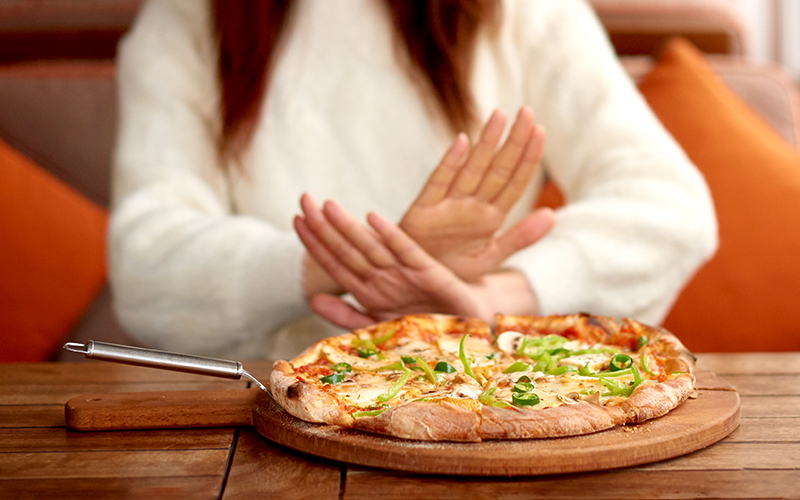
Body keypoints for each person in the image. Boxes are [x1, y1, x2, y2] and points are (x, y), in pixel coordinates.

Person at [109, 0, 717, 360]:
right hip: (261, 419)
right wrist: (372, 264)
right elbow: (147, 259)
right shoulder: (186, 18)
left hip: (477, 399)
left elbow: (669, 205)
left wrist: (491, 300)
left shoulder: (526, 10)